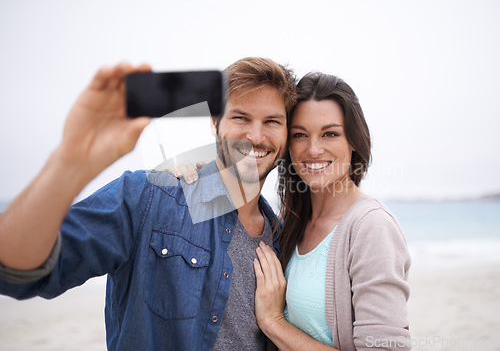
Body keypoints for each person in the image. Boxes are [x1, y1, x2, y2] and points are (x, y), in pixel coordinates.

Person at [0, 57, 297, 350]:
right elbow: (26, 271)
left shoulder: (285, 241)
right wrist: (68, 163)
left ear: (286, 134)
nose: (256, 136)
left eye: (272, 121)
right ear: (215, 122)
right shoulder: (149, 197)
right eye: (240, 117)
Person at [252, 72, 412, 350]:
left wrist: (273, 321)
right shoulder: (290, 224)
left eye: (330, 133)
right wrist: (188, 173)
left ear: (353, 141)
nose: (313, 149)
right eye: (300, 135)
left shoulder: (371, 227)